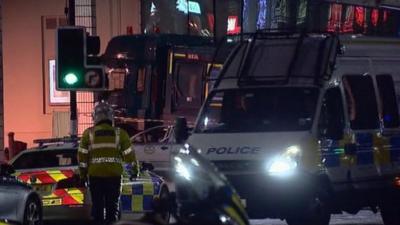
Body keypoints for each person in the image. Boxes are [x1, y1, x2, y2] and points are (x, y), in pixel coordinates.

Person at [78, 101, 140, 225]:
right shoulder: (120, 134)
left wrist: (82, 175)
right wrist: (134, 172)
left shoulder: (88, 134)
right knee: (112, 208)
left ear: (94, 116)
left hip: (95, 177)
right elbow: (130, 156)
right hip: (114, 177)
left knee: (97, 207)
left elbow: (82, 159)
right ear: (111, 117)